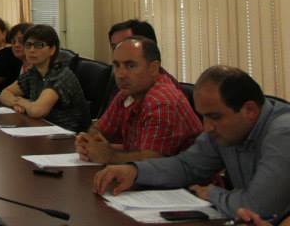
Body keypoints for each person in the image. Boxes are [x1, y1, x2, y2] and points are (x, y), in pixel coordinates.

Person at [93, 66, 290, 219]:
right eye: (204, 116)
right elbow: (187, 166)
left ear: (250, 110)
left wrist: (213, 194)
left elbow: (258, 207)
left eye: (215, 117)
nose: (207, 127)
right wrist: (135, 171)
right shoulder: (223, 130)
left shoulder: (283, 133)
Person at [76, 37, 200, 164]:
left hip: (187, 176)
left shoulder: (161, 102)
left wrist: (109, 156)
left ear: (153, 68)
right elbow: (99, 129)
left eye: (130, 66)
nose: (120, 75)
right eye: (117, 65)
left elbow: (151, 161)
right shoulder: (128, 92)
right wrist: (89, 144)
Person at [0, 25, 89, 132]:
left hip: (68, 135)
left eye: (38, 45)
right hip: (42, 129)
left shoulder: (60, 75)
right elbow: (5, 93)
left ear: (52, 49)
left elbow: (37, 111)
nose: (32, 50)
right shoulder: (34, 72)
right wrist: (17, 103)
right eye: (28, 45)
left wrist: (22, 102)